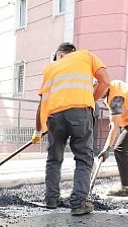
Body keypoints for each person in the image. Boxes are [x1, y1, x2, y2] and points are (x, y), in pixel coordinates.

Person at [32, 42, 111, 215]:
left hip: (54, 117)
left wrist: (38, 130)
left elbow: (41, 104)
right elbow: (105, 81)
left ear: (60, 54)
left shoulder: (51, 68)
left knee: (54, 159)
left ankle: (51, 200)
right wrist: (91, 98)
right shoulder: (86, 56)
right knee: (83, 158)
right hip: (80, 114)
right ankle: (78, 203)